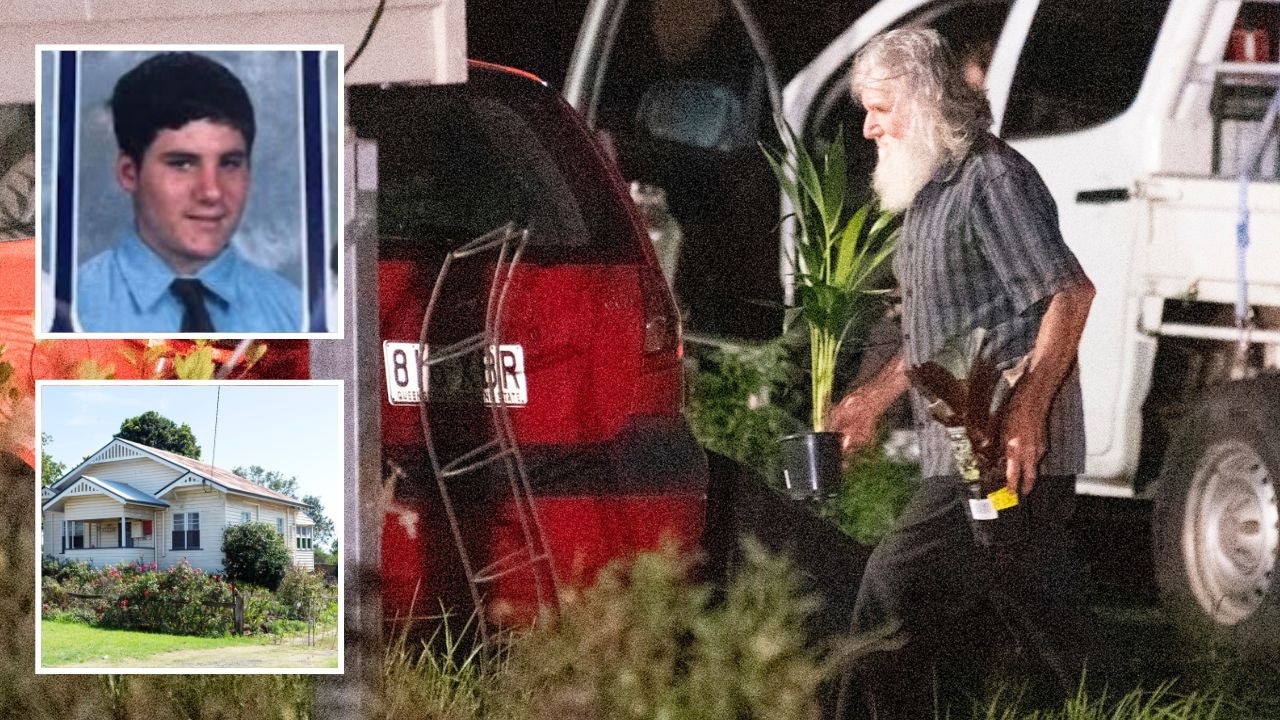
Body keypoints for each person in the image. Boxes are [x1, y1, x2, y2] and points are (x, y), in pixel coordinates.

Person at [827, 28, 1096, 719]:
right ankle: (1105, 703)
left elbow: (1069, 294)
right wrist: (872, 400)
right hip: (971, 445)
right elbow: (937, 333)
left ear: (919, 101)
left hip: (1003, 449)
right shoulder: (927, 193)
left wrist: (1030, 410)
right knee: (1024, 606)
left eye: (879, 107)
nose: (867, 125)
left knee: (891, 592)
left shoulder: (991, 180)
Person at [75, 52, 300, 333]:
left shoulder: (293, 312)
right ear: (128, 172)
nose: (211, 192)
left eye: (229, 163)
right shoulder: (74, 308)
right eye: (182, 164)